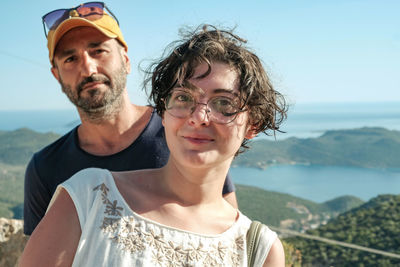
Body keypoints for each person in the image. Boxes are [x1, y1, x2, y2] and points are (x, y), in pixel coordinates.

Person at [19, 24, 288, 266]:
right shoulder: (85, 196)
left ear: (254, 123)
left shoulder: (259, 251)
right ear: (164, 111)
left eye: (225, 103)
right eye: (183, 97)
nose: (198, 117)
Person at [23, 2, 237, 235]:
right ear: (57, 75)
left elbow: (227, 234)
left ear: (125, 60)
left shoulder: (182, 132)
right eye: (70, 59)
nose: (88, 68)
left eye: (98, 51)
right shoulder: (45, 168)